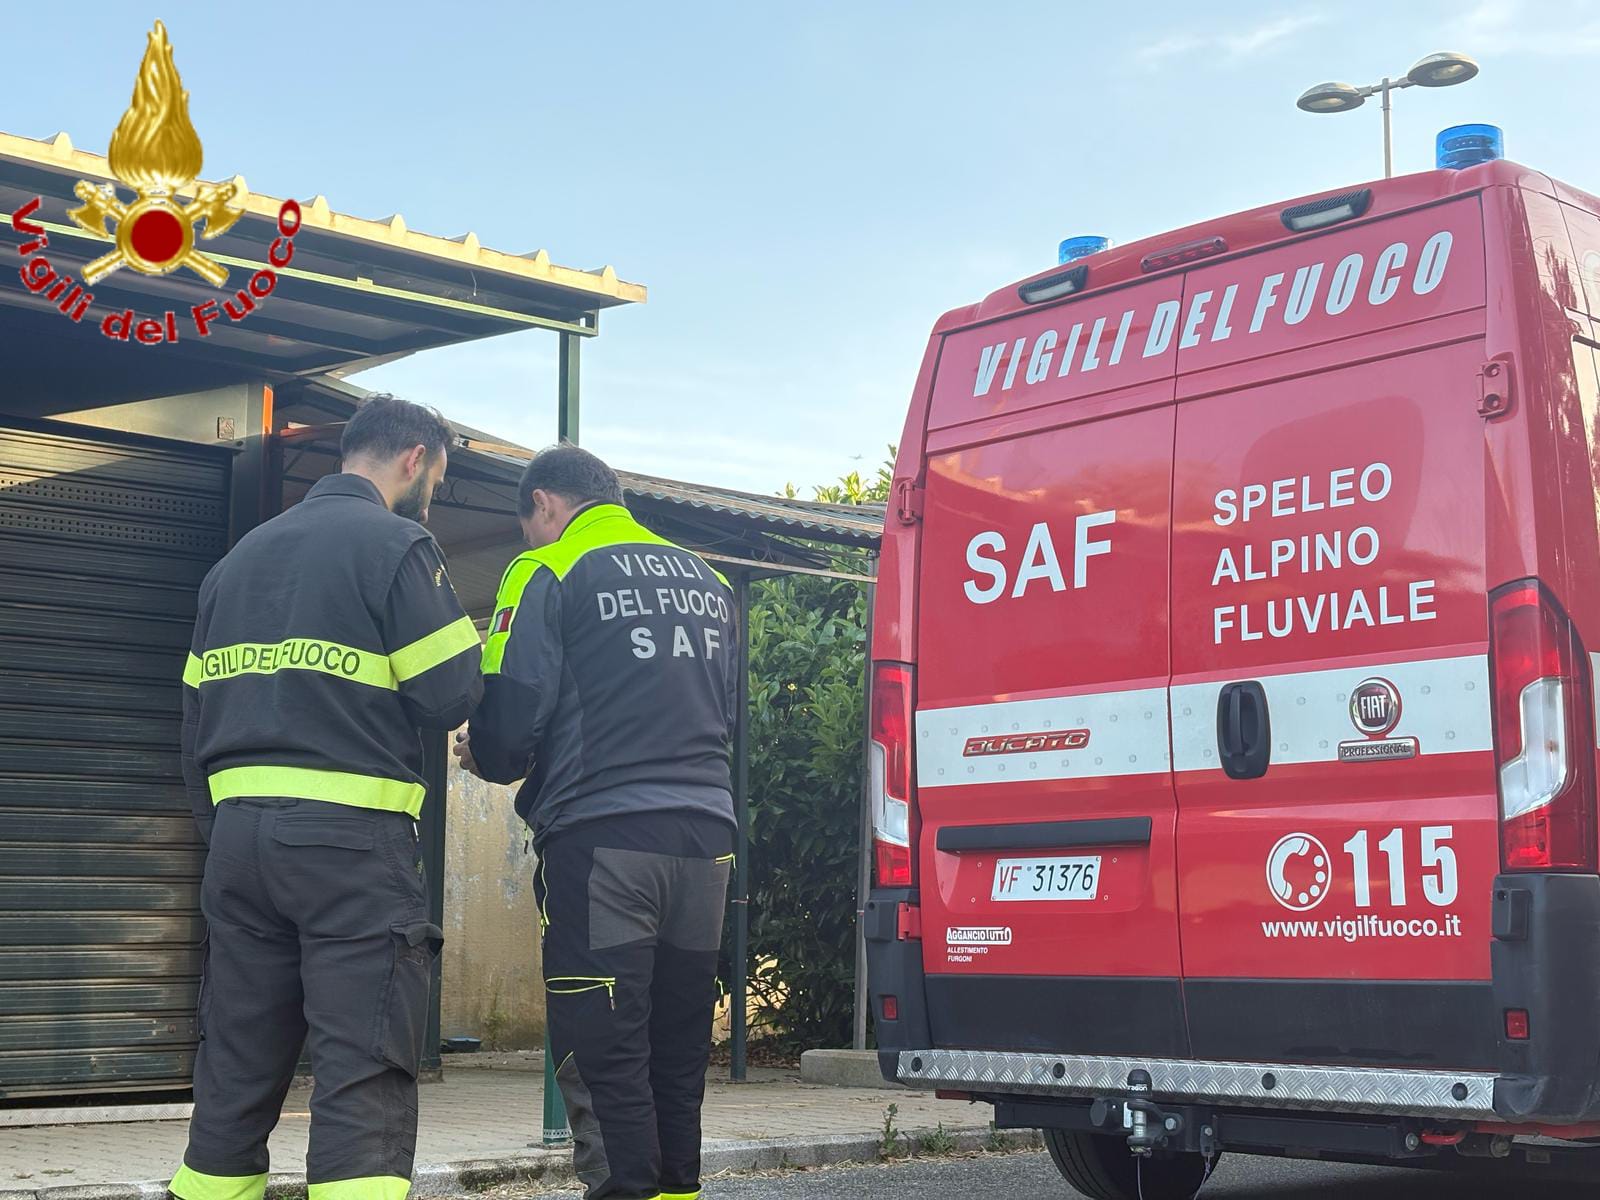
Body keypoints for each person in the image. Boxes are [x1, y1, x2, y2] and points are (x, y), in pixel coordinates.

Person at [171, 395, 482, 1200]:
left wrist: (231, 830)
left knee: (236, 1056)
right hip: (350, 845)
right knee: (362, 1059)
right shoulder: (397, 543)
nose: (432, 495)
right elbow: (451, 690)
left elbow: (193, 720)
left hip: (239, 845)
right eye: (438, 479)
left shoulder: (236, 562)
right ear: (414, 460)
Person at [455, 445, 737, 1200]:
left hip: (605, 842)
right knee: (677, 1048)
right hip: (707, 841)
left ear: (544, 505)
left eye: (528, 527)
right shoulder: (709, 581)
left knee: (603, 1045)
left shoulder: (547, 569)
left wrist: (478, 754)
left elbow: (511, 719)